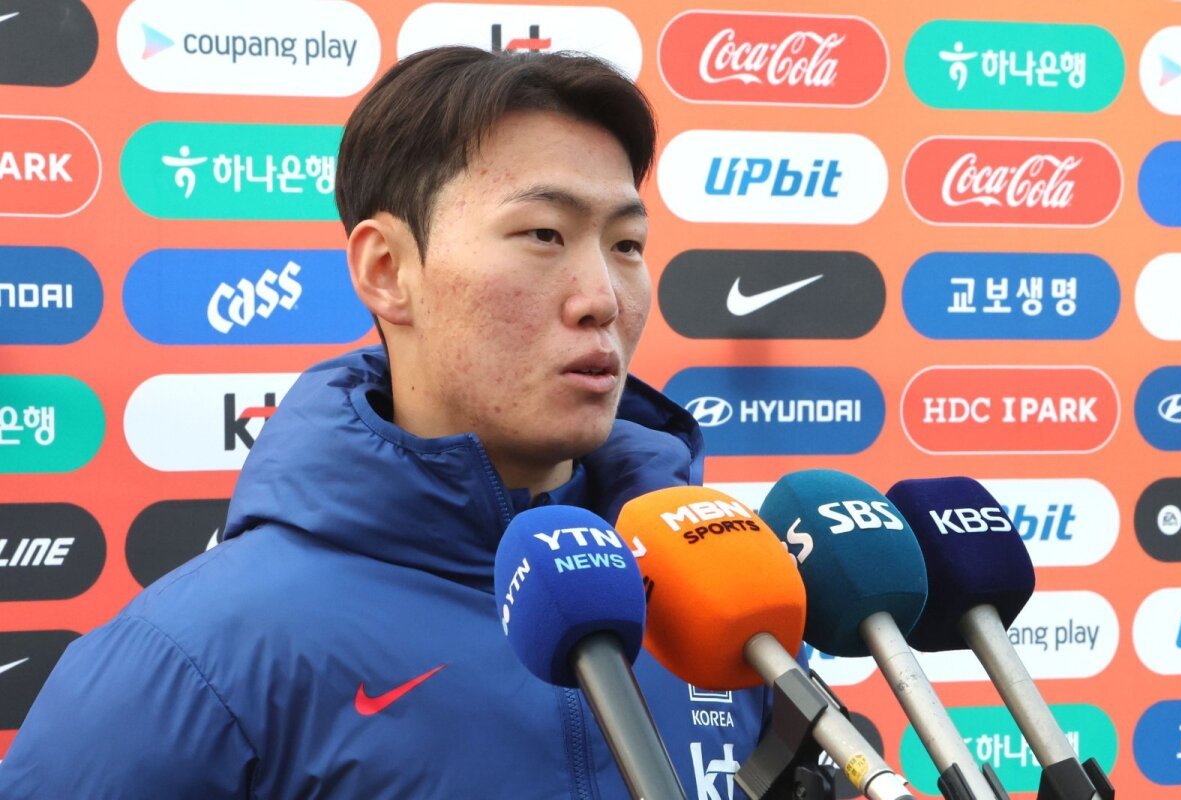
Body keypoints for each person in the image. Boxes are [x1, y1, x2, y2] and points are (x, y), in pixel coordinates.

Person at [0, 47, 769, 798]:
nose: (602, 297)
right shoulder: (196, 658)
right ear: (386, 271)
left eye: (627, 244)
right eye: (544, 234)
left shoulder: (720, 608)